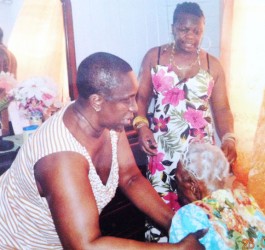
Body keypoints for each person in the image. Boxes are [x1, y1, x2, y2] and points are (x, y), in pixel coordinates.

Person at [0, 52, 207, 249]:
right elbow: (84, 245)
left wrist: (175, 225)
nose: (135, 108)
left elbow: (130, 178)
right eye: (127, 99)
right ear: (97, 101)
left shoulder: (109, 122)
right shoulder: (61, 158)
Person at [135, 2, 237, 242]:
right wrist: (141, 126)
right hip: (161, 149)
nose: (190, 36)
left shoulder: (214, 65)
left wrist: (230, 137)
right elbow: (140, 100)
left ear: (203, 30)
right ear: (173, 28)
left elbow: (222, 109)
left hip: (200, 155)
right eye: (183, 29)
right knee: (160, 204)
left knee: (200, 205)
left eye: (196, 31)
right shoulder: (155, 56)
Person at [170, 142, 265, 250]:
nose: (176, 188)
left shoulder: (189, 215)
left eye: (177, 181)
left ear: (193, 186)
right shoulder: (244, 199)